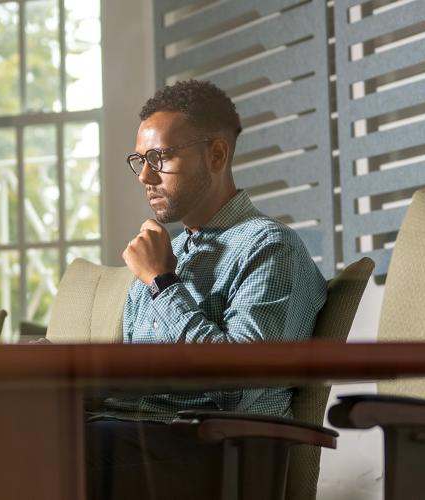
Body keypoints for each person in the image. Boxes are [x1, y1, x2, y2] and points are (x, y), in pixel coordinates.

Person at [84, 79, 327, 499]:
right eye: (140, 159)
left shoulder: (269, 246)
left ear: (216, 154)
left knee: (49, 451)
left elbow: (239, 384)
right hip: (134, 433)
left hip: (217, 454)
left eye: (160, 157)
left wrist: (162, 283)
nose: (145, 175)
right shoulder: (167, 251)